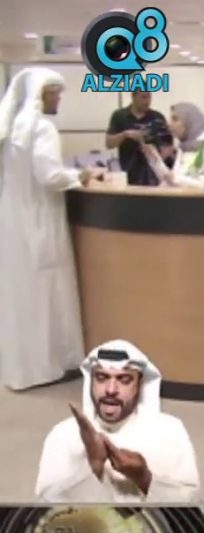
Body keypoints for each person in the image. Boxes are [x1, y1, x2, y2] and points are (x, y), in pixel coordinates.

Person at [0, 67, 97, 392]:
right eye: (56, 93)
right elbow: (50, 176)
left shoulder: (10, 129)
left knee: (22, 294)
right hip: (40, 218)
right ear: (42, 95)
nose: (59, 100)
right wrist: (80, 176)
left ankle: (24, 367)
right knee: (47, 290)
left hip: (14, 221)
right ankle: (50, 364)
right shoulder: (41, 129)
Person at [34, 340, 202, 503]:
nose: (111, 390)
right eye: (102, 377)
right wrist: (94, 466)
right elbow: (46, 505)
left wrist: (144, 477)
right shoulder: (63, 434)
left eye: (124, 379)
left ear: (140, 385)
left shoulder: (170, 431)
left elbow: (193, 502)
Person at [106, 90, 173, 185]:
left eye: (149, 97)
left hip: (155, 176)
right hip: (128, 174)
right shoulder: (119, 116)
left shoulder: (158, 117)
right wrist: (125, 135)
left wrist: (156, 156)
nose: (147, 101)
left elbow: (168, 146)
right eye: (144, 97)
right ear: (133, 97)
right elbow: (109, 144)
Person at [144, 102, 204, 188]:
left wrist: (174, 179)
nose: (169, 124)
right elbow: (171, 181)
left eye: (175, 119)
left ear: (189, 121)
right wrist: (156, 162)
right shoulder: (183, 148)